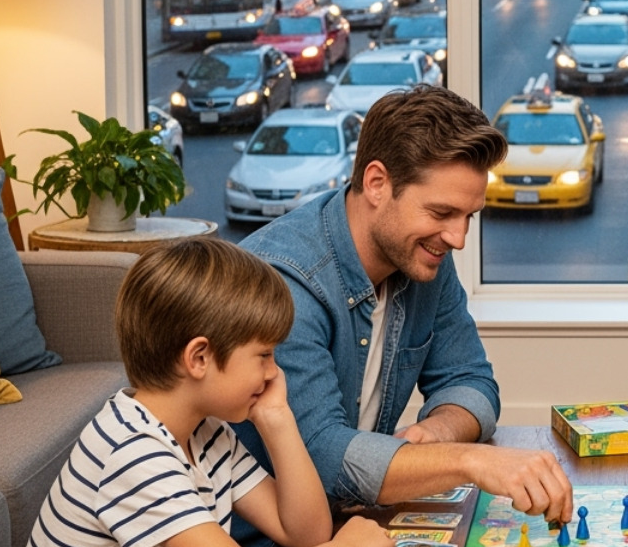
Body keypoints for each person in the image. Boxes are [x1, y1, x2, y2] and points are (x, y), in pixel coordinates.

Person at [0, 239, 394, 547]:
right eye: (263, 355)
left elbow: (306, 534)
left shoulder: (206, 433)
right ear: (199, 357)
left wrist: (277, 418)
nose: (273, 372)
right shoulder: (131, 452)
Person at [239, 86, 573, 518]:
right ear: (377, 183)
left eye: (468, 216)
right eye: (441, 213)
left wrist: (439, 431)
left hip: (356, 522)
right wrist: (469, 460)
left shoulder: (420, 255)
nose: (458, 238)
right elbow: (322, 457)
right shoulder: (283, 284)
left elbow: (471, 380)